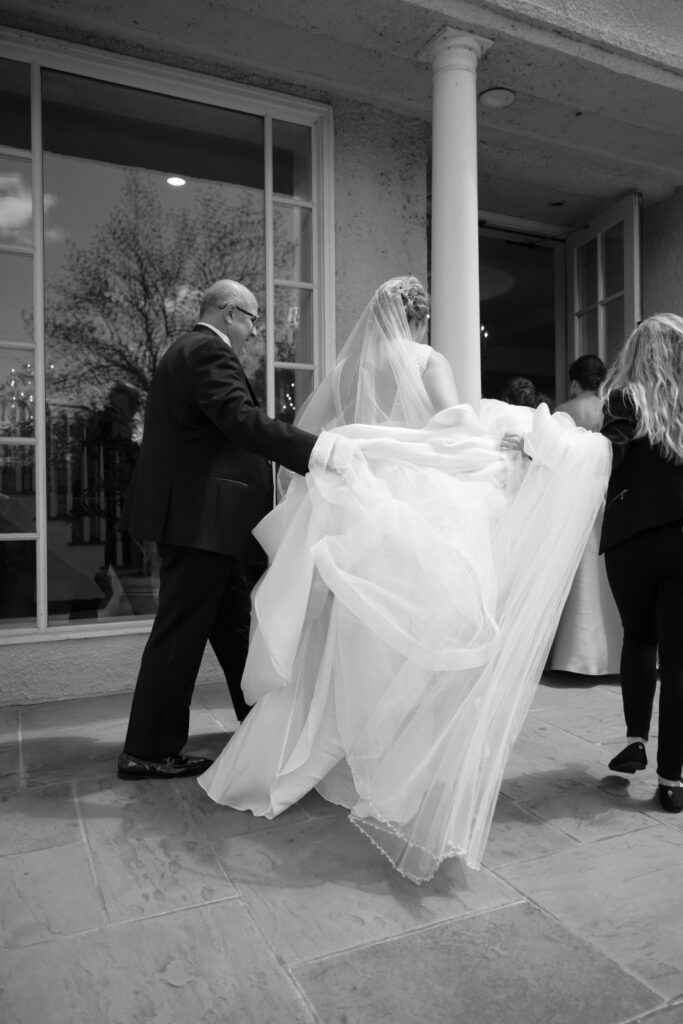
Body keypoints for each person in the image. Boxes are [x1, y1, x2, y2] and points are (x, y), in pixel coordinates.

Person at [197, 275, 611, 882]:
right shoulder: (425, 359)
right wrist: (510, 440)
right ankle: (381, 760)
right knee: (403, 643)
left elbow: (313, 439)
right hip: (415, 517)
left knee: (344, 637)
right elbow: (455, 429)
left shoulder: (346, 370)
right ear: (418, 321)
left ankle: (315, 754)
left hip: (359, 516)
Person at [116, 279, 317, 781]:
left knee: (233, 631)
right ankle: (148, 750)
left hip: (209, 526)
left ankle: (260, 726)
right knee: (180, 635)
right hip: (199, 522)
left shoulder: (188, 352)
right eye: (252, 320)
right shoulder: (207, 350)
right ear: (230, 313)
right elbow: (239, 419)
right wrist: (316, 453)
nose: (254, 332)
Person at [600, 314, 683, 813]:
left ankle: (636, 740)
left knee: (638, 636)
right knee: (679, 659)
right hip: (680, 537)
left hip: (629, 536)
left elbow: (601, 454)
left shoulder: (622, 399)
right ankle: (673, 780)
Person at [550, 354, 621, 674]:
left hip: (575, 502)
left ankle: (573, 655)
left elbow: (553, 457)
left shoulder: (564, 411)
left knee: (576, 570)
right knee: (611, 572)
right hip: (610, 498)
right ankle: (614, 650)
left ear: (574, 382)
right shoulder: (613, 410)